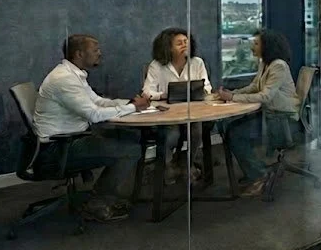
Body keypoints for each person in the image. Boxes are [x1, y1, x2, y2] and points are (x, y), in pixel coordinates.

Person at [33, 34, 149, 221]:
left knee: (129, 136)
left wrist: (129, 103)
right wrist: (133, 108)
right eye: (95, 50)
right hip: (58, 148)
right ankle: (98, 203)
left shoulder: (74, 74)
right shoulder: (64, 79)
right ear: (79, 54)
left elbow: (97, 101)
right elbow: (93, 115)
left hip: (71, 139)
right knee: (131, 150)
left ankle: (106, 195)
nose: (99, 53)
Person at [216, 29, 300, 197]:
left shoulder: (278, 65)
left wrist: (233, 97)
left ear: (267, 46)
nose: (252, 47)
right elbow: (255, 86)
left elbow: (265, 96)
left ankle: (259, 175)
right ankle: (255, 170)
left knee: (235, 134)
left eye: (256, 43)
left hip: (281, 119)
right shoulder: (266, 63)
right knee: (232, 128)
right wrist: (232, 93)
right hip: (270, 114)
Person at [142, 28, 212, 181]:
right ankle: (167, 165)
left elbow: (207, 87)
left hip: (192, 111)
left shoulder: (197, 62)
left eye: (186, 42)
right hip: (167, 113)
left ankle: (188, 164)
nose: (184, 45)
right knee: (172, 134)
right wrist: (164, 95)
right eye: (179, 43)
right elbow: (147, 92)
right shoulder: (156, 65)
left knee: (196, 128)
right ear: (167, 47)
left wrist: (199, 91)